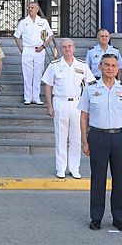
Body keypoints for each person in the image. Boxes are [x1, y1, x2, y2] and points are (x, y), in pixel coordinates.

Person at [79, 54, 122, 233]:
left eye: (114, 65)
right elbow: (83, 116)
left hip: (120, 138)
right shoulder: (90, 88)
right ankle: (96, 218)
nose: (110, 68)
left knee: (120, 180)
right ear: (100, 67)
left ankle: (119, 218)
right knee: (98, 179)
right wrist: (84, 141)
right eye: (107, 65)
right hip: (98, 137)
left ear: (117, 68)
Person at [42, 39, 95, 179]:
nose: (67, 49)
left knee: (76, 137)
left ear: (74, 48)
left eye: (70, 46)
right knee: (61, 137)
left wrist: (88, 106)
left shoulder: (82, 65)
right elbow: (48, 85)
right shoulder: (54, 65)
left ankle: (74, 168)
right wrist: (49, 105)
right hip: (60, 102)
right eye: (64, 47)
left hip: (77, 103)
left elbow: (90, 84)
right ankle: (60, 168)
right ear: (60, 49)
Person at [14, 1, 53, 105]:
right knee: (27, 74)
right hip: (27, 49)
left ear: (37, 9)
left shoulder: (43, 21)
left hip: (40, 49)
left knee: (38, 73)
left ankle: (36, 97)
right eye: (29, 7)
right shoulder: (23, 22)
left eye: (32, 7)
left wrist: (44, 46)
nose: (30, 9)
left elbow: (50, 35)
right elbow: (17, 36)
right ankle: (27, 97)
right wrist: (21, 48)